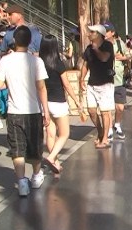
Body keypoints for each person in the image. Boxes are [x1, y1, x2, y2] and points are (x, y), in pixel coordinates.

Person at [0, 25, 50, 196]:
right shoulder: (36, 61)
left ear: (14, 40)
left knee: (17, 148)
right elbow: (41, 87)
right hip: (33, 111)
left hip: (14, 111)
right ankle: (35, 176)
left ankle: (21, 181)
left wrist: (10, 84)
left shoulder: (5, 60)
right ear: (29, 41)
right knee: (35, 146)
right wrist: (46, 111)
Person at [39, 34, 81, 174]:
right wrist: (77, 101)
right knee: (64, 134)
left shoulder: (39, 63)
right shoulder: (58, 63)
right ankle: (52, 158)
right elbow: (67, 85)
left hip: (44, 103)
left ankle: (55, 162)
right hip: (58, 102)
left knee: (50, 134)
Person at [79, 24, 115, 149]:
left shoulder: (108, 45)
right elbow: (85, 64)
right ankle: (100, 132)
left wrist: (96, 49)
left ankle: (105, 139)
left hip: (105, 83)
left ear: (99, 34)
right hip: (92, 83)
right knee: (92, 111)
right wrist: (81, 79)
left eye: (92, 32)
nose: (89, 34)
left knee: (105, 112)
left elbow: (104, 58)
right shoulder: (88, 48)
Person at [104, 21, 132, 141]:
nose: (104, 33)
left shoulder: (120, 43)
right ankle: (109, 129)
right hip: (106, 81)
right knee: (109, 107)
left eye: (107, 31)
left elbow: (129, 55)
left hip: (119, 80)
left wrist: (123, 57)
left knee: (120, 107)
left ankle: (117, 125)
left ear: (113, 33)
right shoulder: (102, 45)